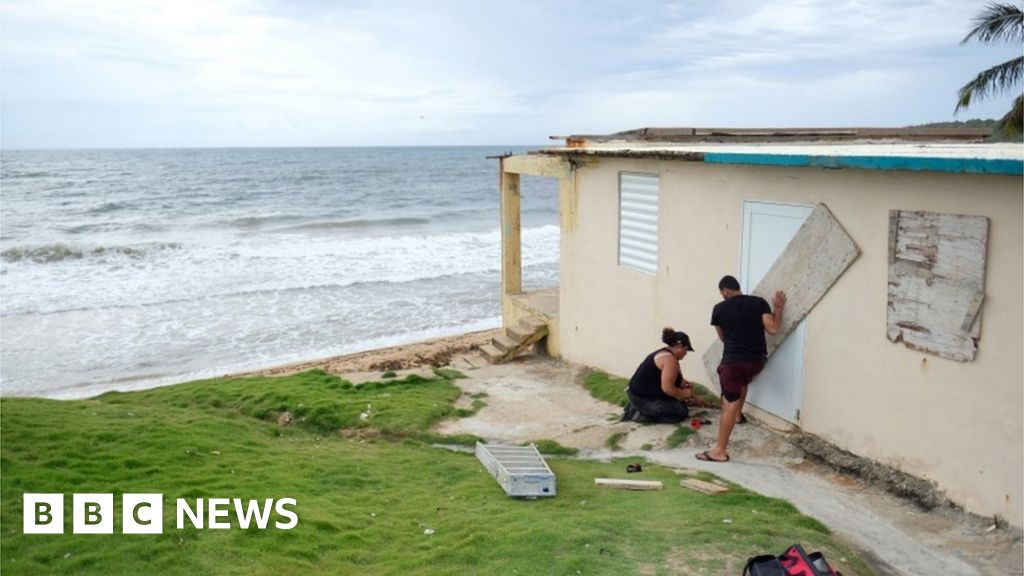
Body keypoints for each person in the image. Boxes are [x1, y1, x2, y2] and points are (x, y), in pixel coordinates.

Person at [696, 275, 785, 463]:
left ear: (725, 291)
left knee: (728, 402)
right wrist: (778, 309)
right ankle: (737, 416)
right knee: (742, 381)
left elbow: (723, 338)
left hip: (733, 363)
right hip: (756, 363)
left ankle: (719, 451)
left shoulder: (719, 309)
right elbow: (773, 329)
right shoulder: (759, 303)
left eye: (722, 294)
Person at [621, 327, 695, 423]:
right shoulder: (669, 360)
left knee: (679, 404)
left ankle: (638, 408)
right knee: (681, 412)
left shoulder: (667, 354)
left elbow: (676, 378)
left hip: (637, 394)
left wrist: (684, 384)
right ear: (679, 346)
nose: (686, 353)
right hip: (643, 399)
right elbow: (668, 388)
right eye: (686, 349)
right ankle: (637, 414)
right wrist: (685, 394)